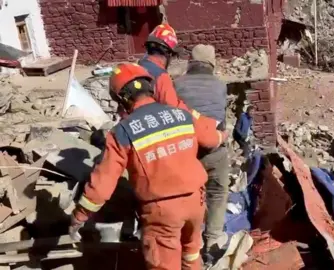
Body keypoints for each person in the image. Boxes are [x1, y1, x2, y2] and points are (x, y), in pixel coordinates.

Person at [69, 63, 228, 270]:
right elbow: (209, 138)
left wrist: (79, 216)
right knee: (190, 253)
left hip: (162, 211)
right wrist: (223, 135)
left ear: (122, 99)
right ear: (149, 88)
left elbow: (103, 184)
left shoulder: (123, 132)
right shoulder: (182, 114)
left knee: (163, 265)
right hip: (196, 202)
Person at [173, 44, 228, 265]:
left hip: (185, 151)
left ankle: (186, 243)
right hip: (214, 148)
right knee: (217, 191)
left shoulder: (176, 84)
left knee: (186, 195)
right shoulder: (220, 86)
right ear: (211, 65)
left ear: (190, 63)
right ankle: (212, 241)